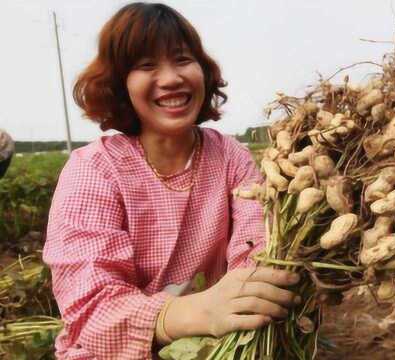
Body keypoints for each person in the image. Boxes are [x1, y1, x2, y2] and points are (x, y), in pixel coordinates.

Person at [42, 3, 299, 359]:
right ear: (120, 85)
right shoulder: (95, 169)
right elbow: (90, 307)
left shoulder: (230, 157)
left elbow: (257, 247)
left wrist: (246, 296)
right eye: (147, 66)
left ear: (202, 72)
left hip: (220, 344)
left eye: (181, 60)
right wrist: (190, 314)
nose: (171, 78)